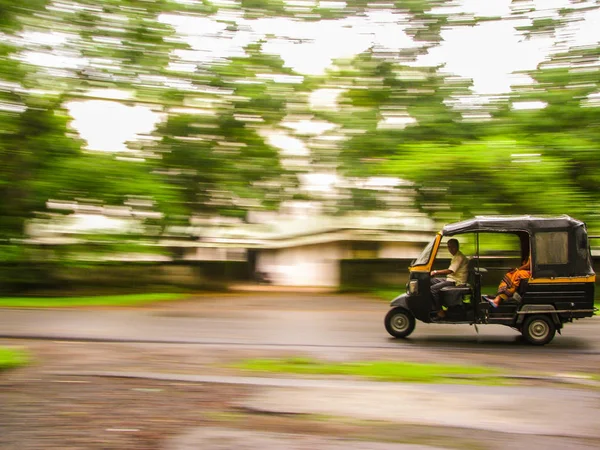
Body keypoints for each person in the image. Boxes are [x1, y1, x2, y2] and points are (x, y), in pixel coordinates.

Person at [430, 238, 468, 317]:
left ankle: (439, 310)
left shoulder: (459, 257)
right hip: (451, 278)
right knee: (431, 281)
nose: (450, 249)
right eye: (449, 247)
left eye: (452, 247)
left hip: (456, 282)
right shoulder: (456, 256)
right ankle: (432, 306)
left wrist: (435, 272)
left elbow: (450, 271)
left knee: (433, 289)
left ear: (457, 246)